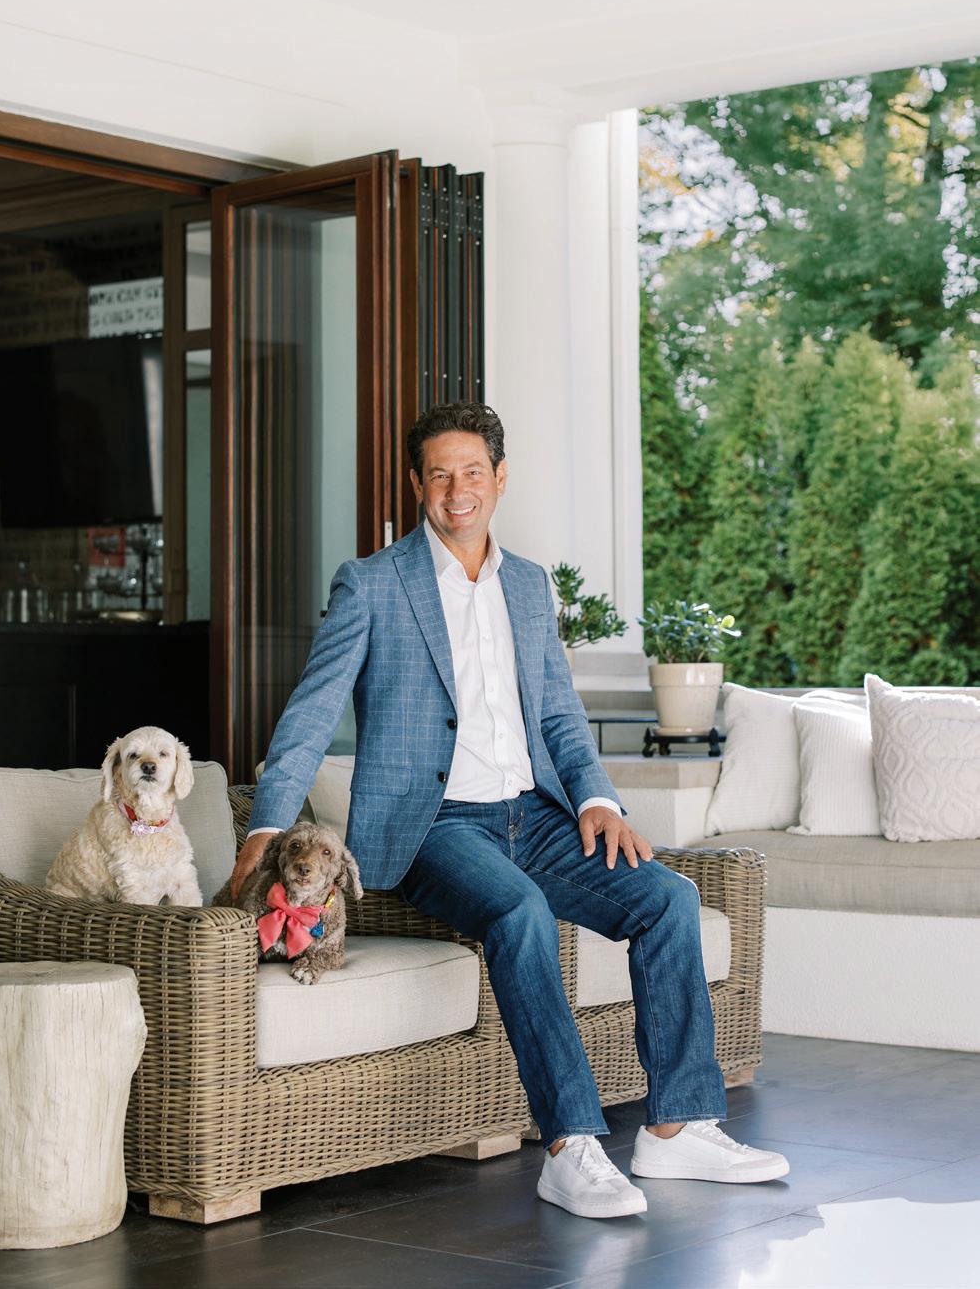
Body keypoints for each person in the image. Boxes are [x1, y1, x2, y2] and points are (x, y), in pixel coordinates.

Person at [230, 401, 788, 1218]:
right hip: (434, 827)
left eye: (471, 472)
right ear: (416, 484)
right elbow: (311, 712)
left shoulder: (528, 586)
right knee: (520, 912)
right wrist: (265, 827)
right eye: (439, 475)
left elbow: (558, 714)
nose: (456, 490)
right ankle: (569, 1147)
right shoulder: (373, 584)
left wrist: (596, 800)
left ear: (498, 478)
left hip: (536, 816)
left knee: (668, 898)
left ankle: (677, 1128)